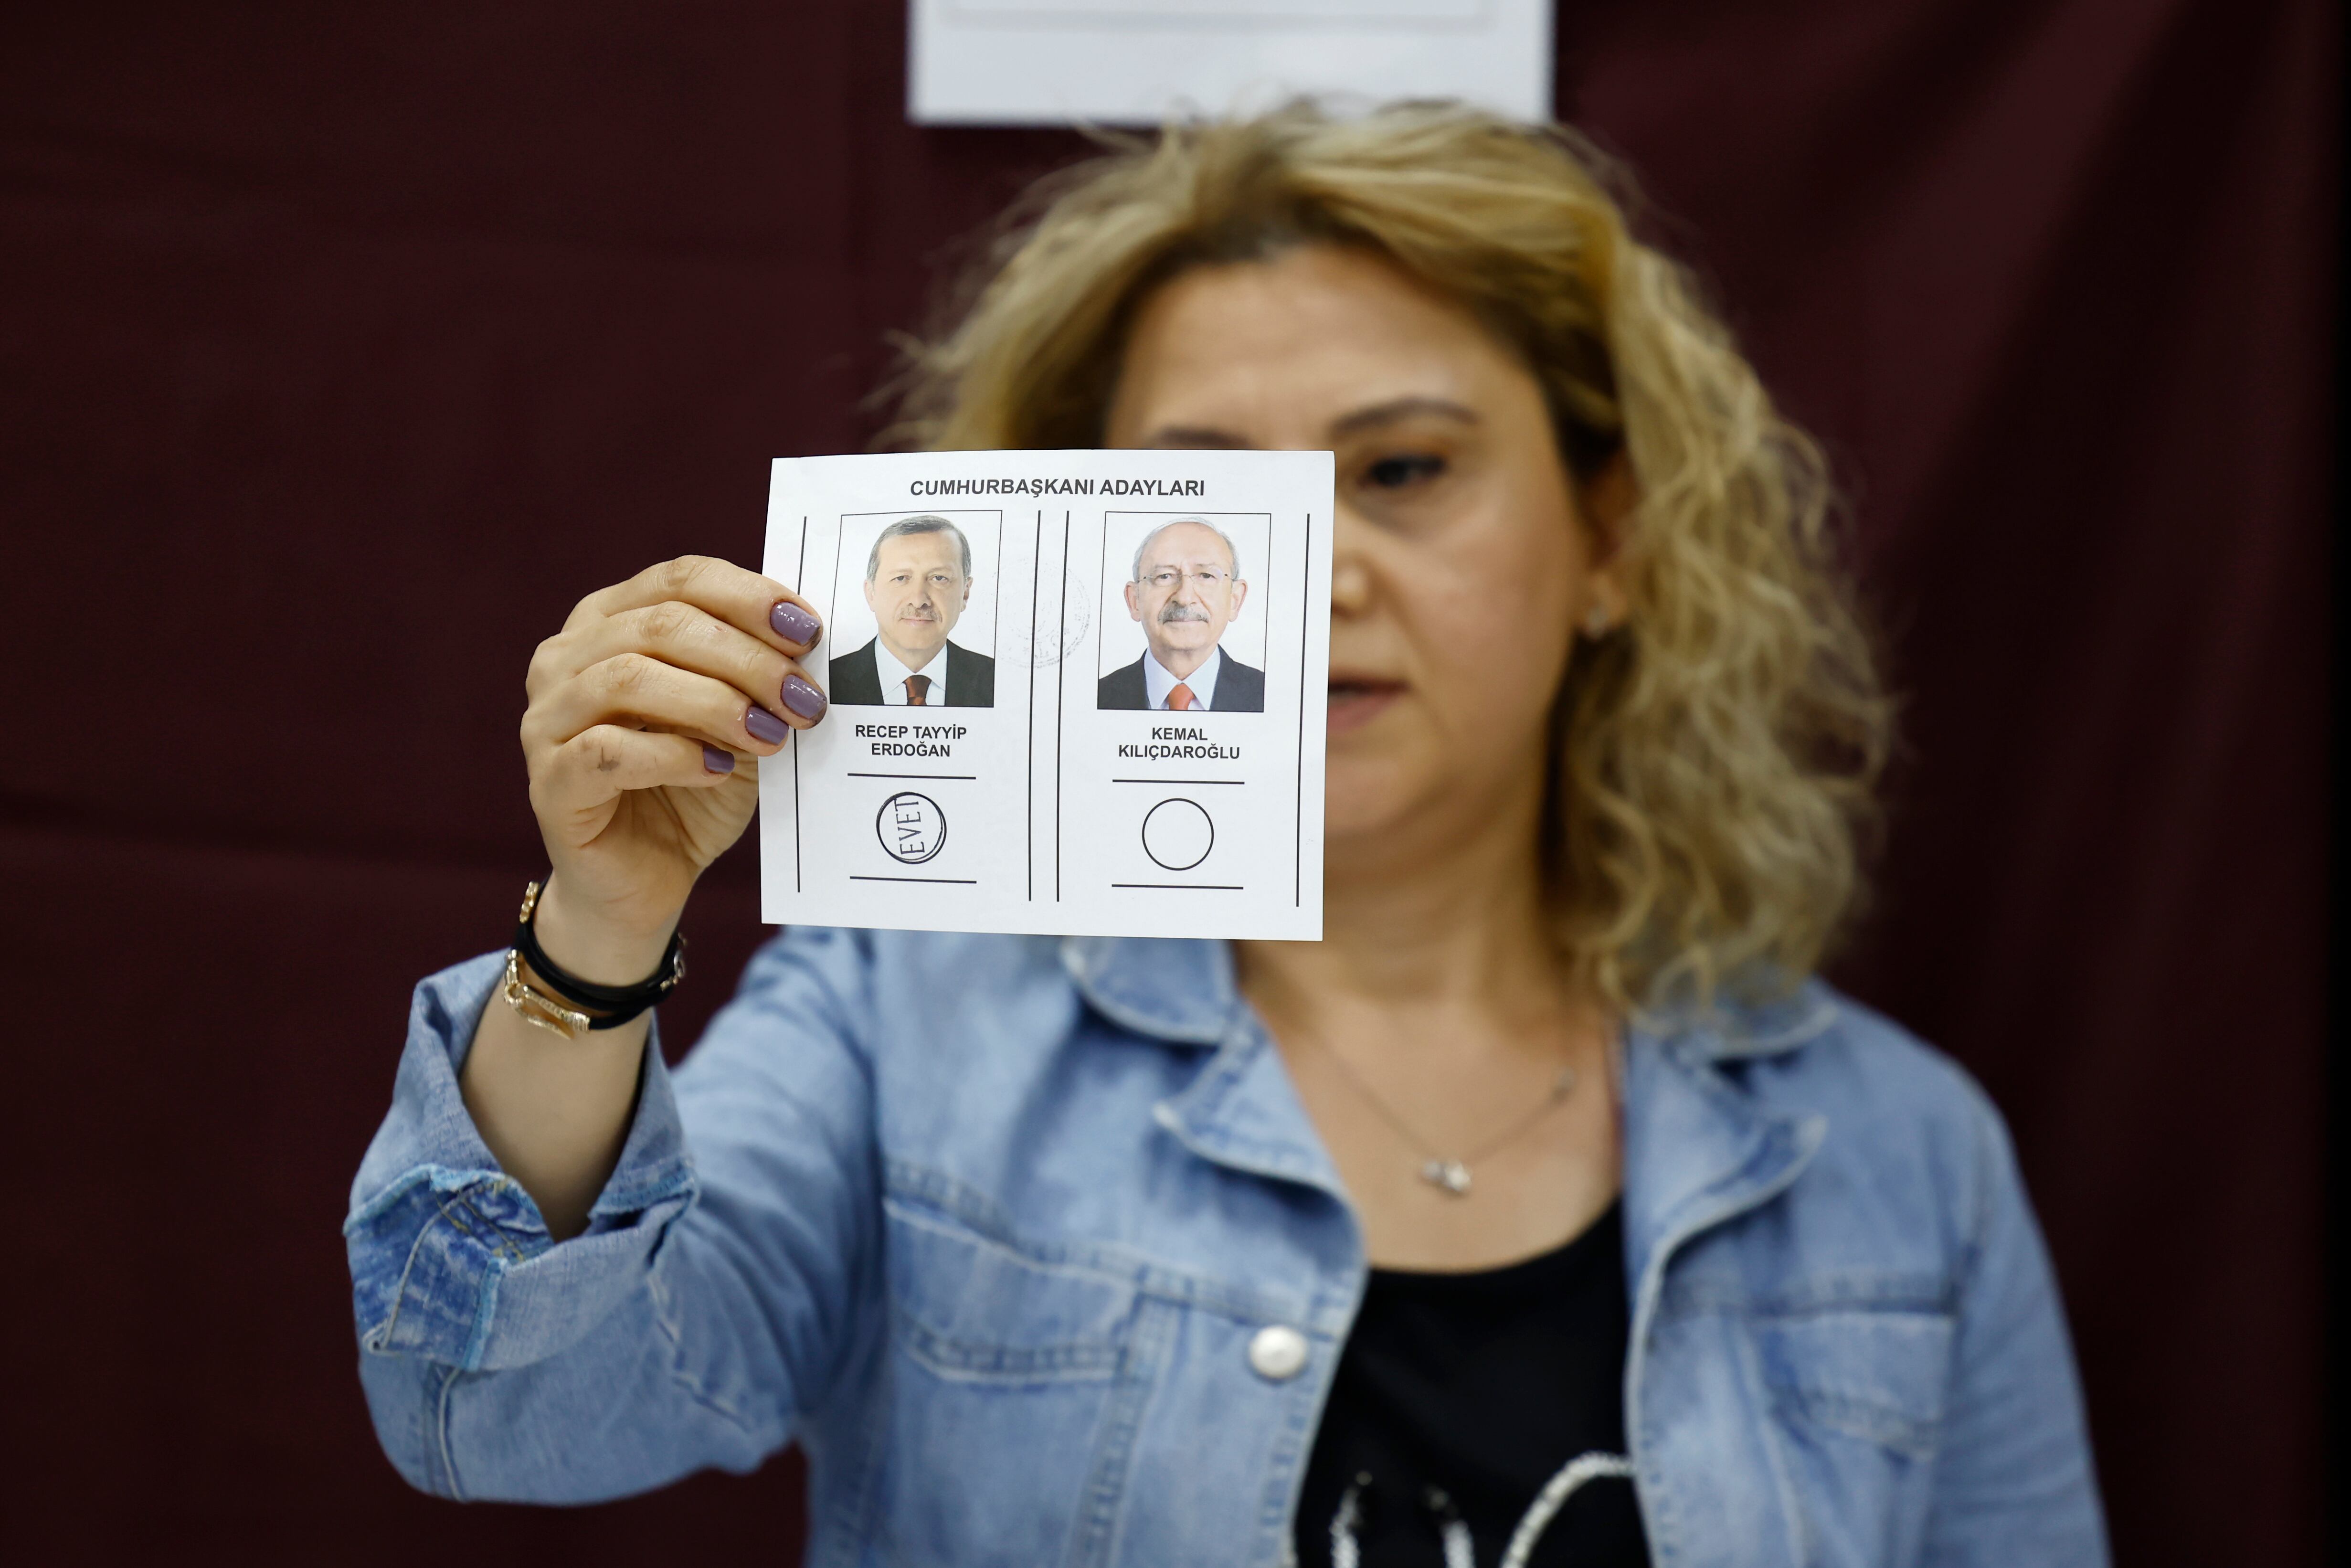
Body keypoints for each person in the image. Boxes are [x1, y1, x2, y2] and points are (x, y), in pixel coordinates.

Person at [348, 102, 2107, 1567]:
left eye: (1402, 469)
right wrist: (599, 920)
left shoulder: (1899, 1159)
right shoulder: (900, 1017)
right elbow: (496, 1408)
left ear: (1611, 544)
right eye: (1201, 499)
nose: (1305, 577)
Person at [826, 513, 996, 707]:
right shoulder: (826, 680)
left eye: (939, 578)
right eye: (901, 578)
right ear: (871, 593)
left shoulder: (1000, 681)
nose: (918, 601)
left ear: (965, 593)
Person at [1098, 518, 1266, 711]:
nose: (1185, 597)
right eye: (1164, 577)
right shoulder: (1096, 698)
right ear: (1134, 600)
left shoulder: (1271, 699)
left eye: (1206, 576)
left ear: (1235, 600)